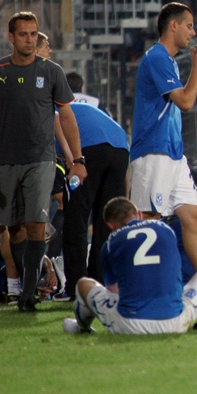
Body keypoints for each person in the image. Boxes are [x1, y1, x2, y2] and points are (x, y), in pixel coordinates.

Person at [0, 12, 86, 313]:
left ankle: (28, 295)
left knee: (36, 225)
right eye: (23, 34)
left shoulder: (52, 71)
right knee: (12, 228)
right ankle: (22, 285)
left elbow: (67, 116)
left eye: (33, 34)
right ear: (11, 38)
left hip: (41, 160)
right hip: (5, 161)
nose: (30, 39)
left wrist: (78, 159)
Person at [130, 2, 197, 273]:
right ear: (173, 25)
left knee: (194, 217)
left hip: (173, 154)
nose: (193, 32)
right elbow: (185, 102)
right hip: (153, 151)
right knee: (152, 220)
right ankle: (148, 285)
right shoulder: (157, 58)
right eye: (189, 25)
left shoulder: (169, 62)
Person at [63, 197, 197, 334]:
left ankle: (81, 327)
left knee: (84, 284)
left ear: (111, 225)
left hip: (130, 323)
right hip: (176, 320)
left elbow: (113, 291)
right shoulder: (166, 230)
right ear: (139, 215)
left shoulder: (111, 243)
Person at [60, 101, 129, 300]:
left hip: (88, 149)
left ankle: (76, 287)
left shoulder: (52, 106)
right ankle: (101, 283)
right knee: (106, 223)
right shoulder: (88, 111)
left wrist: (73, 159)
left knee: (76, 220)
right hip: (121, 148)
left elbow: (57, 121)